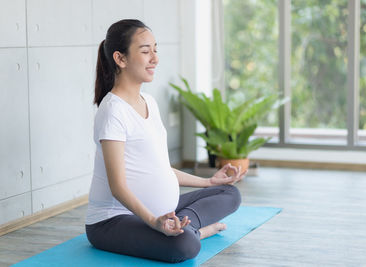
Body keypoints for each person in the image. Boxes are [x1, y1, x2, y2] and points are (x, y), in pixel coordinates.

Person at [85, 19, 247, 263]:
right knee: (184, 246)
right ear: (120, 59)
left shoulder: (149, 102)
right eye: (145, 51)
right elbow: (117, 187)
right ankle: (195, 232)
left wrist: (208, 181)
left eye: (155, 50)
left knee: (228, 193)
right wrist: (153, 221)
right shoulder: (113, 112)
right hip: (113, 220)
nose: (155, 59)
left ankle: (180, 226)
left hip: (161, 212)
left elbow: (160, 169)